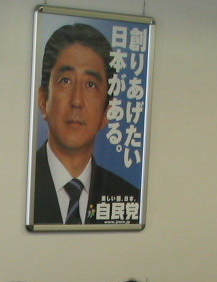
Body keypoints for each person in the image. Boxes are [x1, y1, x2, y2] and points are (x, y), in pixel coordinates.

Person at [31, 24, 140, 226]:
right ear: (43, 100)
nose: (77, 101)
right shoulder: (18, 185)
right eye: (66, 81)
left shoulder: (130, 199)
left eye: (90, 84)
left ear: (106, 113)